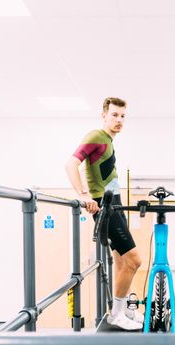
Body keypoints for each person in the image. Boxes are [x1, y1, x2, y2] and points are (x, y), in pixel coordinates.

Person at [65, 97, 143, 330]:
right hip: (105, 206)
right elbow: (70, 164)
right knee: (134, 260)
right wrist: (84, 195)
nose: (119, 120)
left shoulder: (108, 140)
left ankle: (125, 312)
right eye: (114, 115)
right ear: (104, 116)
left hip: (114, 204)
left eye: (122, 116)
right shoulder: (96, 136)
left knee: (121, 261)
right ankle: (116, 315)